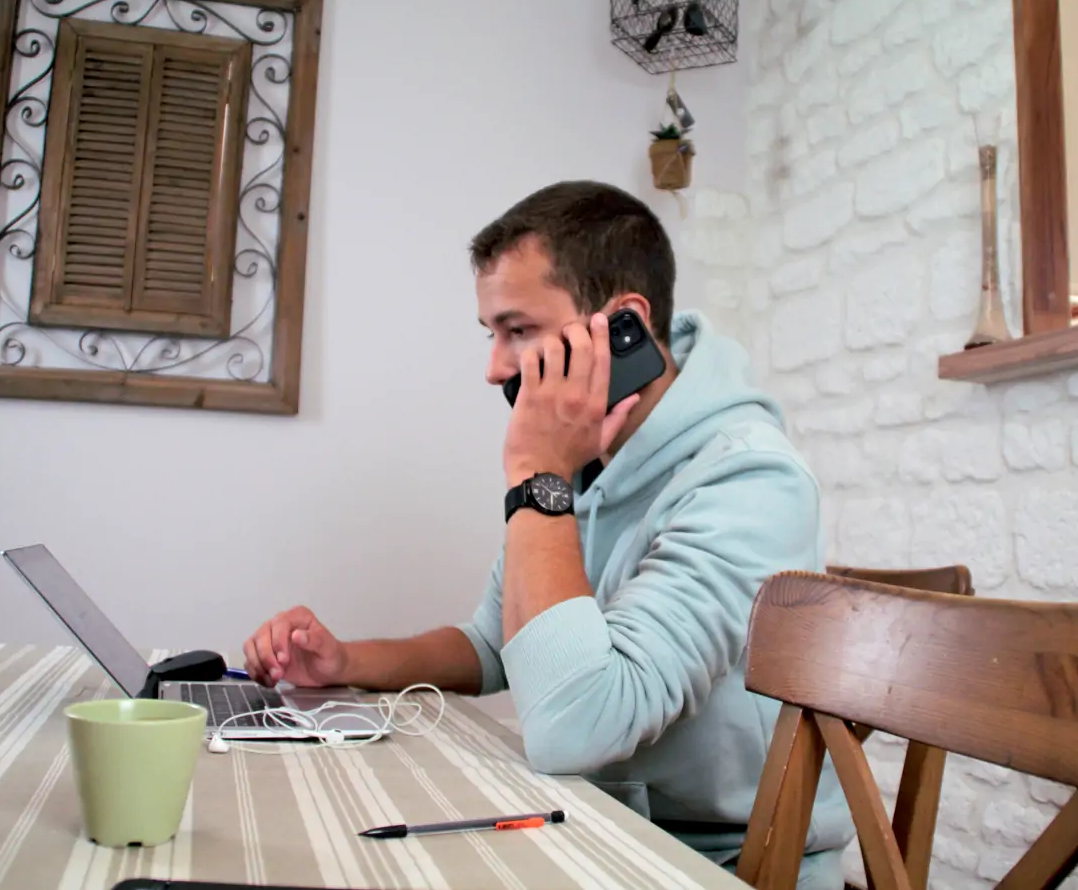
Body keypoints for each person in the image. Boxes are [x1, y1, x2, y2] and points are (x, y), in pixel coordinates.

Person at [243, 180, 852, 885]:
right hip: (592, 821)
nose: (495, 368)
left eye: (519, 330)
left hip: (717, 863)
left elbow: (577, 723)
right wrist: (346, 661)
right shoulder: (587, 457)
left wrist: (537, 474)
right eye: (492, 334)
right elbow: (493, 646)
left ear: (622, 325)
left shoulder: (750, 481)